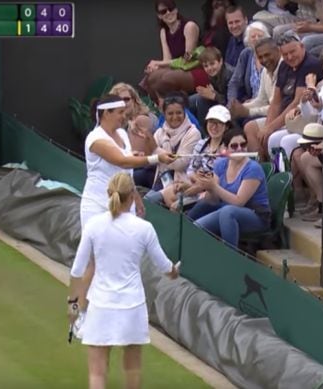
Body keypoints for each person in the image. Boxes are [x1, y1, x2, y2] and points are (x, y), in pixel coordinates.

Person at [68, 172, 179, 389]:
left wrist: (73, 308)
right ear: (132, 197)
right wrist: (174, 271)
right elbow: (165, 266)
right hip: (132, 307)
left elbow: (77, 271)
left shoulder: (94, 225)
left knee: (97, 374)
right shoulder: (144, 228)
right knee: (132, 369)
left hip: (101, 306)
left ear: (109, 194)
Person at [77, 95, 177, 321]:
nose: (125, 116)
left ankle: (117, 313)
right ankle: (80, 315)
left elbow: (126, 167)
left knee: (125, 257)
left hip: (124, 204)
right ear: (105, 114)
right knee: (93, 262)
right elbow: (121, 161)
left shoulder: (122, 134)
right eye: (120, 112)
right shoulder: (95, 139)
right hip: (96, 205)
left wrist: (135, 197)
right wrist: (154, 158)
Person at [188, 128, 271, 248]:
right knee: (200, 217)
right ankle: (183, 234)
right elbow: (214, 200)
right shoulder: (221, 164)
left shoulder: (253, 168)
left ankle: (230, 254)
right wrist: (208, 187)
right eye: (234, 146)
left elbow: (239, 202)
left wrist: (214, 187)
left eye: (243, 145)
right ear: (226, 149)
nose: (239, 149)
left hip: (255, 215)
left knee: (228, 211)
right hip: (226, 210)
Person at [151, 105, 231, 210]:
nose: (214, 126)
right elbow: (191, 169)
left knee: (175, 206)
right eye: (211, 122)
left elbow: (220, 178)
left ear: (227, 126)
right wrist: (195, 183)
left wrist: (199, 186)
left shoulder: (228, 148)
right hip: (193, 185)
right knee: (152, 199)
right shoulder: (202, 144)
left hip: (211, 193)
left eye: (219, 123)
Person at [143, 0, 208, 100]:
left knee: (166, 79)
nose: (168, 13)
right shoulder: (164, 32)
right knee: (151, 78)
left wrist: (158, 63)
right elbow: (166, 60)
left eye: (171, 9)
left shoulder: (189, 26)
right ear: (159, 16)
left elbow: (187, 59)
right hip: (178, 69)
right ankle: (163, 109)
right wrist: (155, 67)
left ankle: (179, 107)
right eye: (163, 11)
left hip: (196, 68)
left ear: (176, 10)